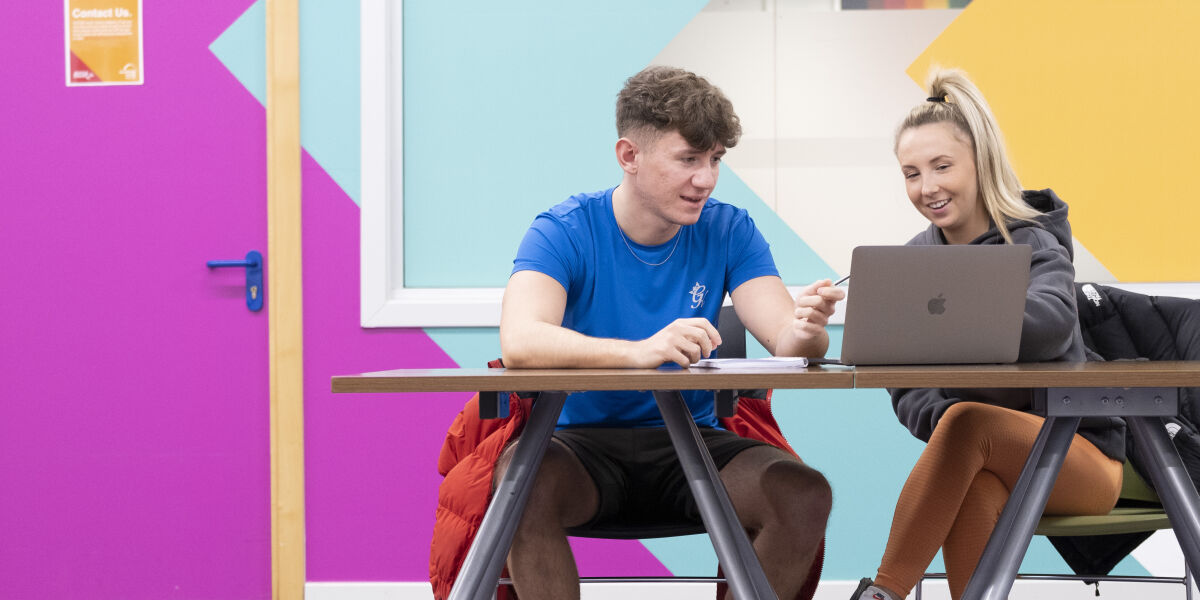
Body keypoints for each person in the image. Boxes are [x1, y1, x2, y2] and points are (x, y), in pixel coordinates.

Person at [495, 65, 844, 600]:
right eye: (688, 159)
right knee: (519, 486)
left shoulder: (730, 228)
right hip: (579, 451)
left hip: (693, 449)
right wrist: (639, 352)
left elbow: (788, 341)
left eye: (715, 160)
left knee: (802, 492)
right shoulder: (562, 229)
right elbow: (520, 341)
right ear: (629, 156)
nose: (705, 178)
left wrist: (809, 327)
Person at [851, 68, 1126, 600]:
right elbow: (906, 389)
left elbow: (1051, 325)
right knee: (968, 462)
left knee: (968, 419)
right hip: (983, 456)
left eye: (941, 166)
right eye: (910, 173)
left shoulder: (1035, 243)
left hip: (1078, 455)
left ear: (980, 162)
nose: (926, 187)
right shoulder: (912, 262)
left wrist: (948, 326)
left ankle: (883, 593)